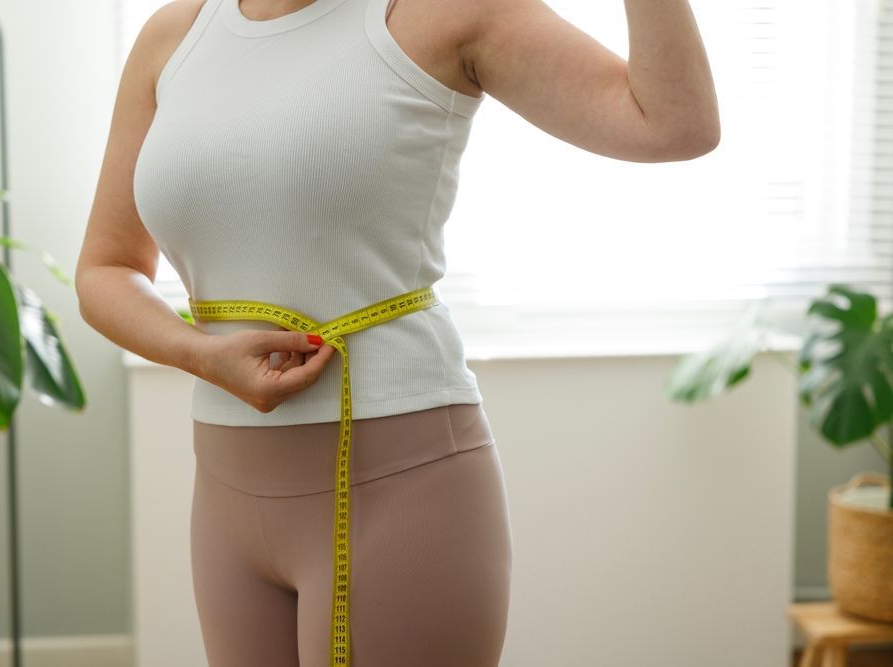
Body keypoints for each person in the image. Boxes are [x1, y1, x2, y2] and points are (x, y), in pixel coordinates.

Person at [75, 0, 719, 665]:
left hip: (399, 485)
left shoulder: (444, 12)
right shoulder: (173, 35)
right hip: (225, 498)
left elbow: (674, 124)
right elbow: (107, 266)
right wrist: (201, 355)